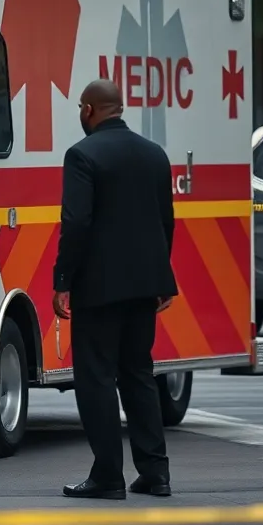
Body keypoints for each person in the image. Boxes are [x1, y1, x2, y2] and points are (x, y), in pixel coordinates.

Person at [52, 79, 178, 501]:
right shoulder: (154, 154)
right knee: (139, 374)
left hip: (99, 289)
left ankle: (108, 474)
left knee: (97, 379)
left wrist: (63, 281)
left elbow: (77, 222)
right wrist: (161, 280)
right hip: (145, 286)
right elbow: (166, 222)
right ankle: (155, 473)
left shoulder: (82, 155)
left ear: (89, 109)